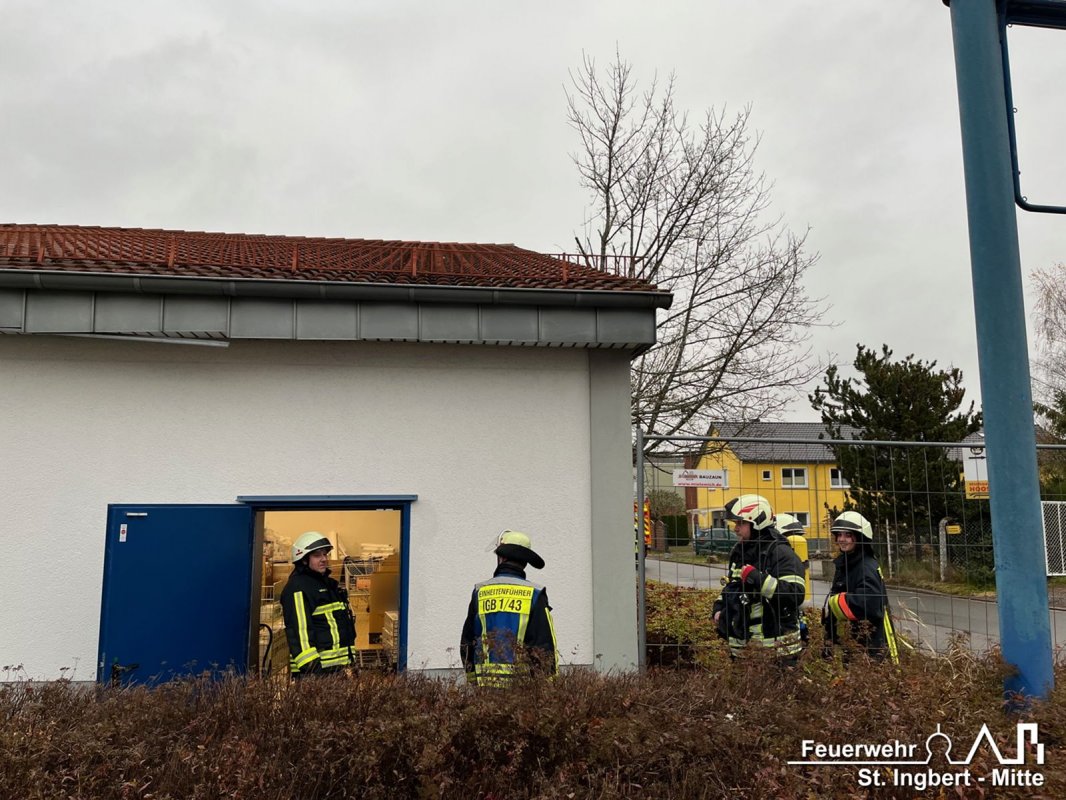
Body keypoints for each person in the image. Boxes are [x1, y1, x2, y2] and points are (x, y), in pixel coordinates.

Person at [712, 495, 807, 661]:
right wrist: (719, 607)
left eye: (741, 523)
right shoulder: (740, 551)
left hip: (778, 652)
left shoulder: (781, 553)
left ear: (757, 522)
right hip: (743, 651)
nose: (736, 529)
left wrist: (757, 578)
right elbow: (732, 587)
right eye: (735, 523)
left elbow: (794, 594)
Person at [460, 530, 558, 686]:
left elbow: (467, 643)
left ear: (502, 557)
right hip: (522, 692)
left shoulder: (480, 592)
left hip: (485, 691)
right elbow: (544, 646)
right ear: (525, 561)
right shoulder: (535, 594)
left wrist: (474, 683)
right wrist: (547, 689)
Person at [822, 511, 899, 664]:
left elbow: (869, 605)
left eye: (848, 535)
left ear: (860, 538)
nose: (842, 539)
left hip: (869, 646)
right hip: (853, 643)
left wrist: (834, 602)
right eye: (839, 535)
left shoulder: (865, 566)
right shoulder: (847, 563)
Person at [279, 531, 357, 678]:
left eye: (324, 554)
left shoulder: (326, 585)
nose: (323, 559)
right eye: (317, 555)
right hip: (318, 673)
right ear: (303, 560)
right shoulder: (298, 588)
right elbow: (300, 632)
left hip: (337, 669)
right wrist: (313, 669)